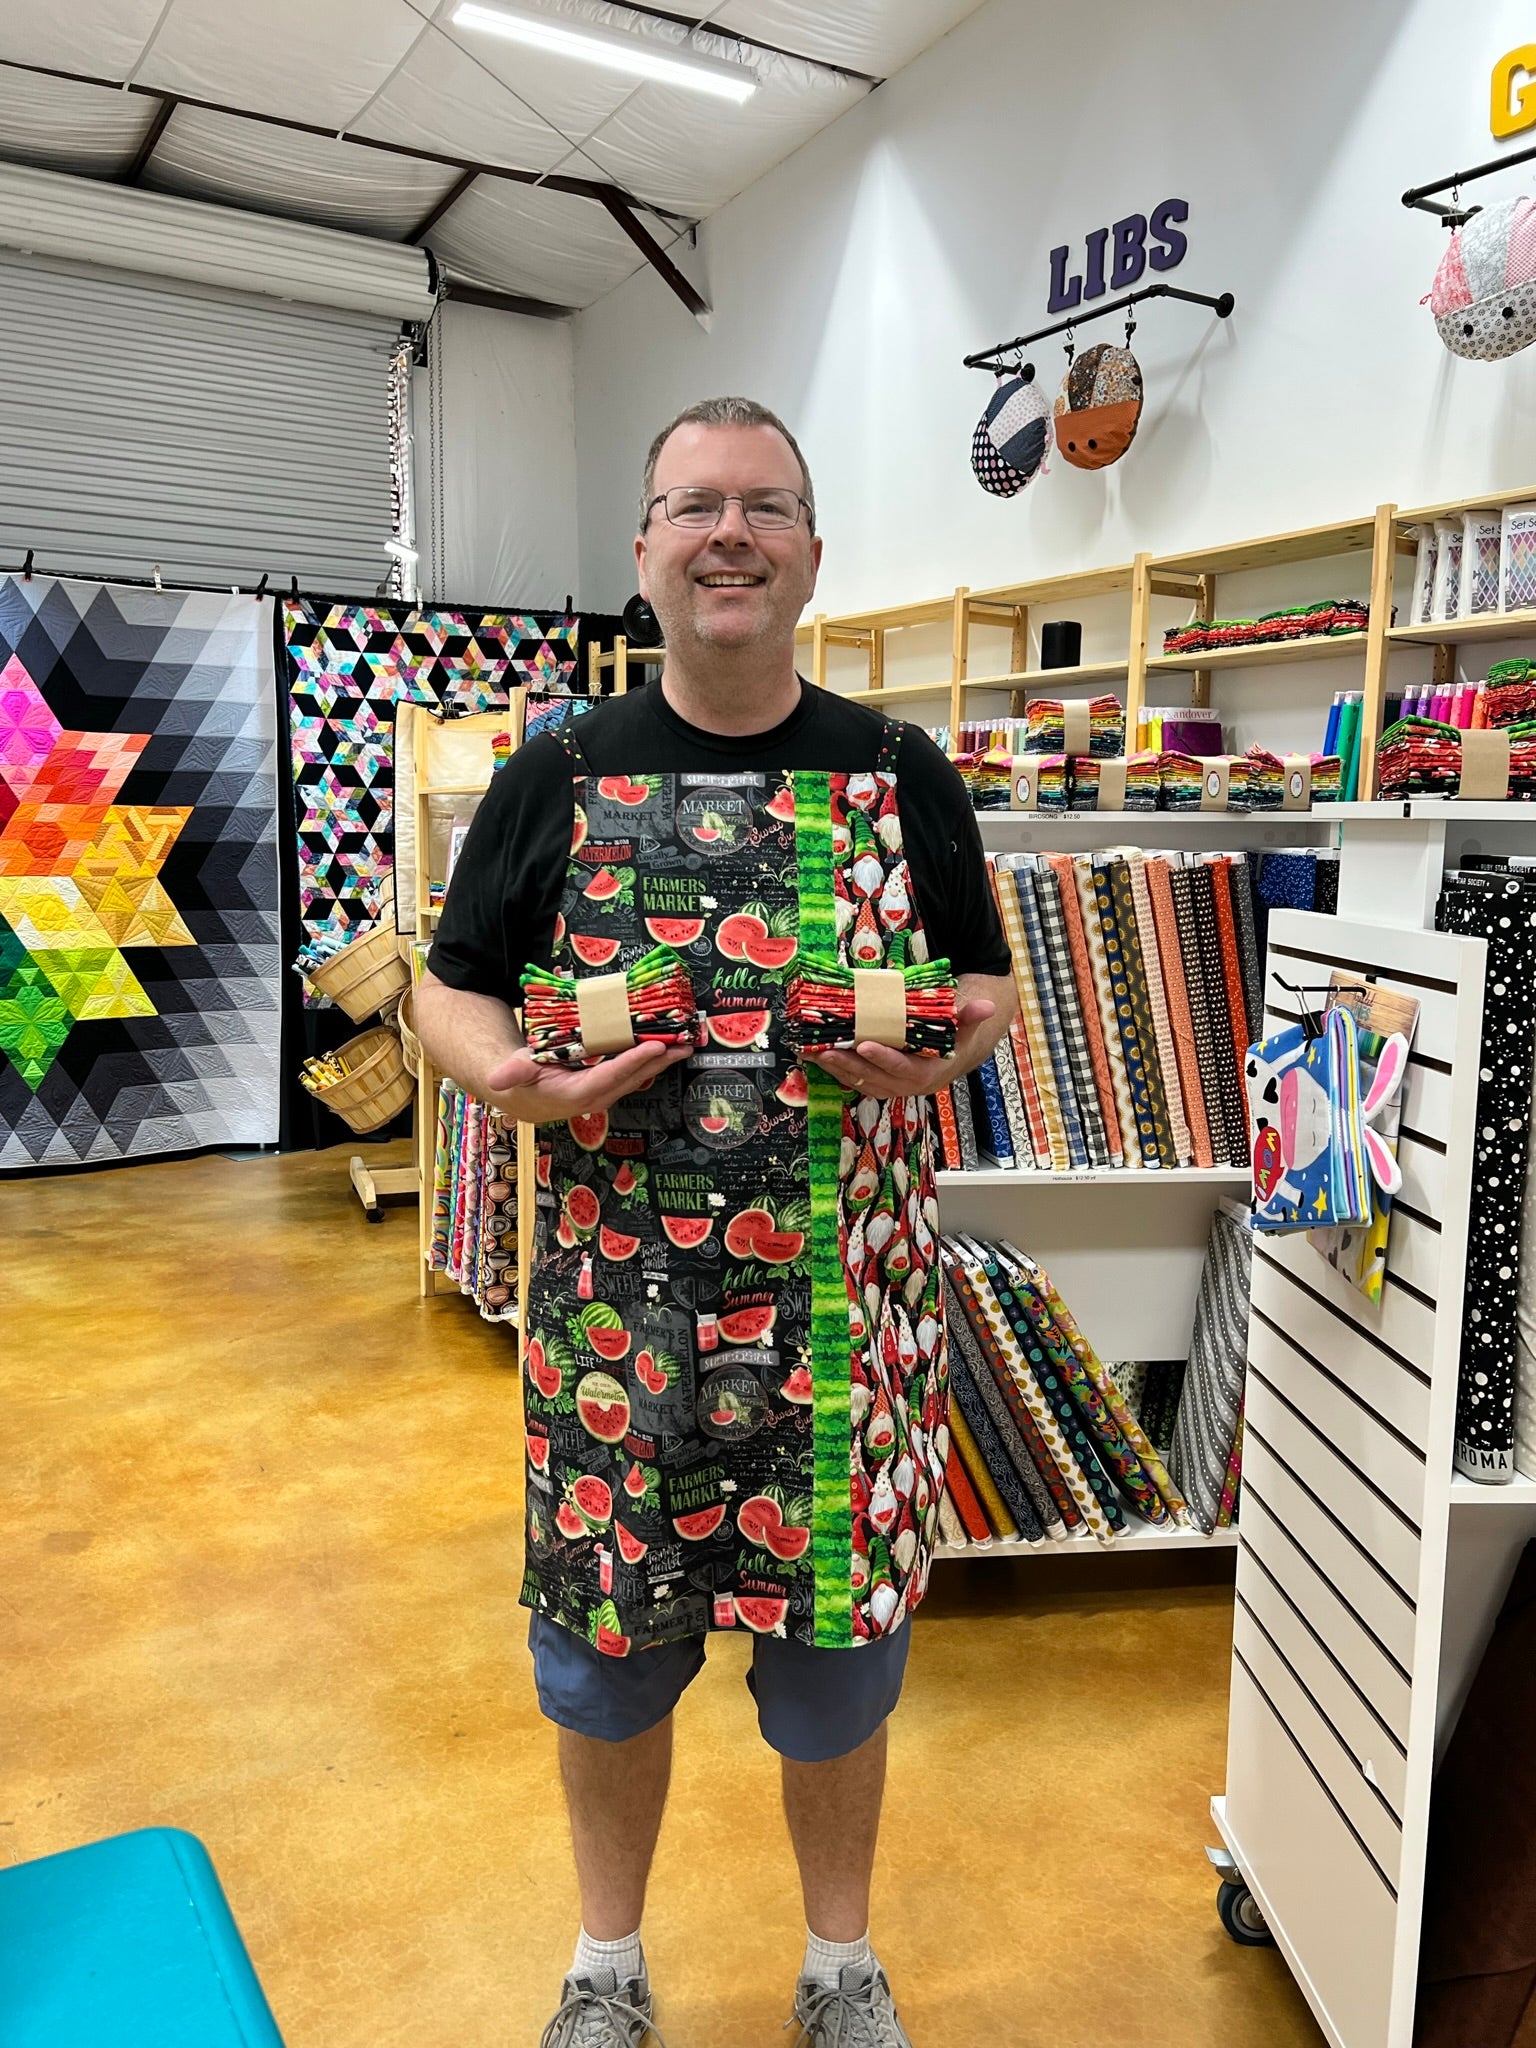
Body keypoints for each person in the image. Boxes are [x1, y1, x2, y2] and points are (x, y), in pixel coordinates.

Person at [415, 396, 1018, 2047]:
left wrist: (941, 1056)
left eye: (764, 507)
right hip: (622, 1327)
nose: (728, 534)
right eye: (694, 507)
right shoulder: (555, 772)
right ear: (645, 551)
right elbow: (451, 989)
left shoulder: (900, 772)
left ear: (814, 554)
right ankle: (605, 1966)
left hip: (846, 1320)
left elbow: (986, 982)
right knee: (606, 1668)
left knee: (838, 1678)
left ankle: (841, 1964)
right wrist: (503, 1080)